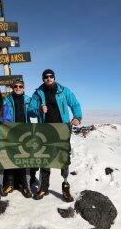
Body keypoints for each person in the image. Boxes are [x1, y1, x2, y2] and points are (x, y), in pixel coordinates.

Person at [29, 69, 82, 202]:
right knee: (45, 158)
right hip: (45, 129)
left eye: (51, 76)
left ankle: (65, 186)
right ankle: (44, 188)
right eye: (46, 77)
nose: (48, 78)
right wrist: (39, 110)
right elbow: (30, 111)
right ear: (43, 79)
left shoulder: (64, 91)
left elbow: (74, 104)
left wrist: (77, 117)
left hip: (62, 129)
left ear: (54, 77)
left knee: (63, 157)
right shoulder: (38, 93)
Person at [3, 79, 33, 198]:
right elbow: (4, 115)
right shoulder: (6, 100)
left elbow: (34, 112)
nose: (18, 88)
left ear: (23, 88)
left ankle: (24, 185)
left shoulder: (29, 100)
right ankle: (9, 183)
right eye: (15, 86)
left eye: (20, 86)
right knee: (10, 157)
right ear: (12, 87)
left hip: (24, 132)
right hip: (11, 131)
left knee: (24, 158)